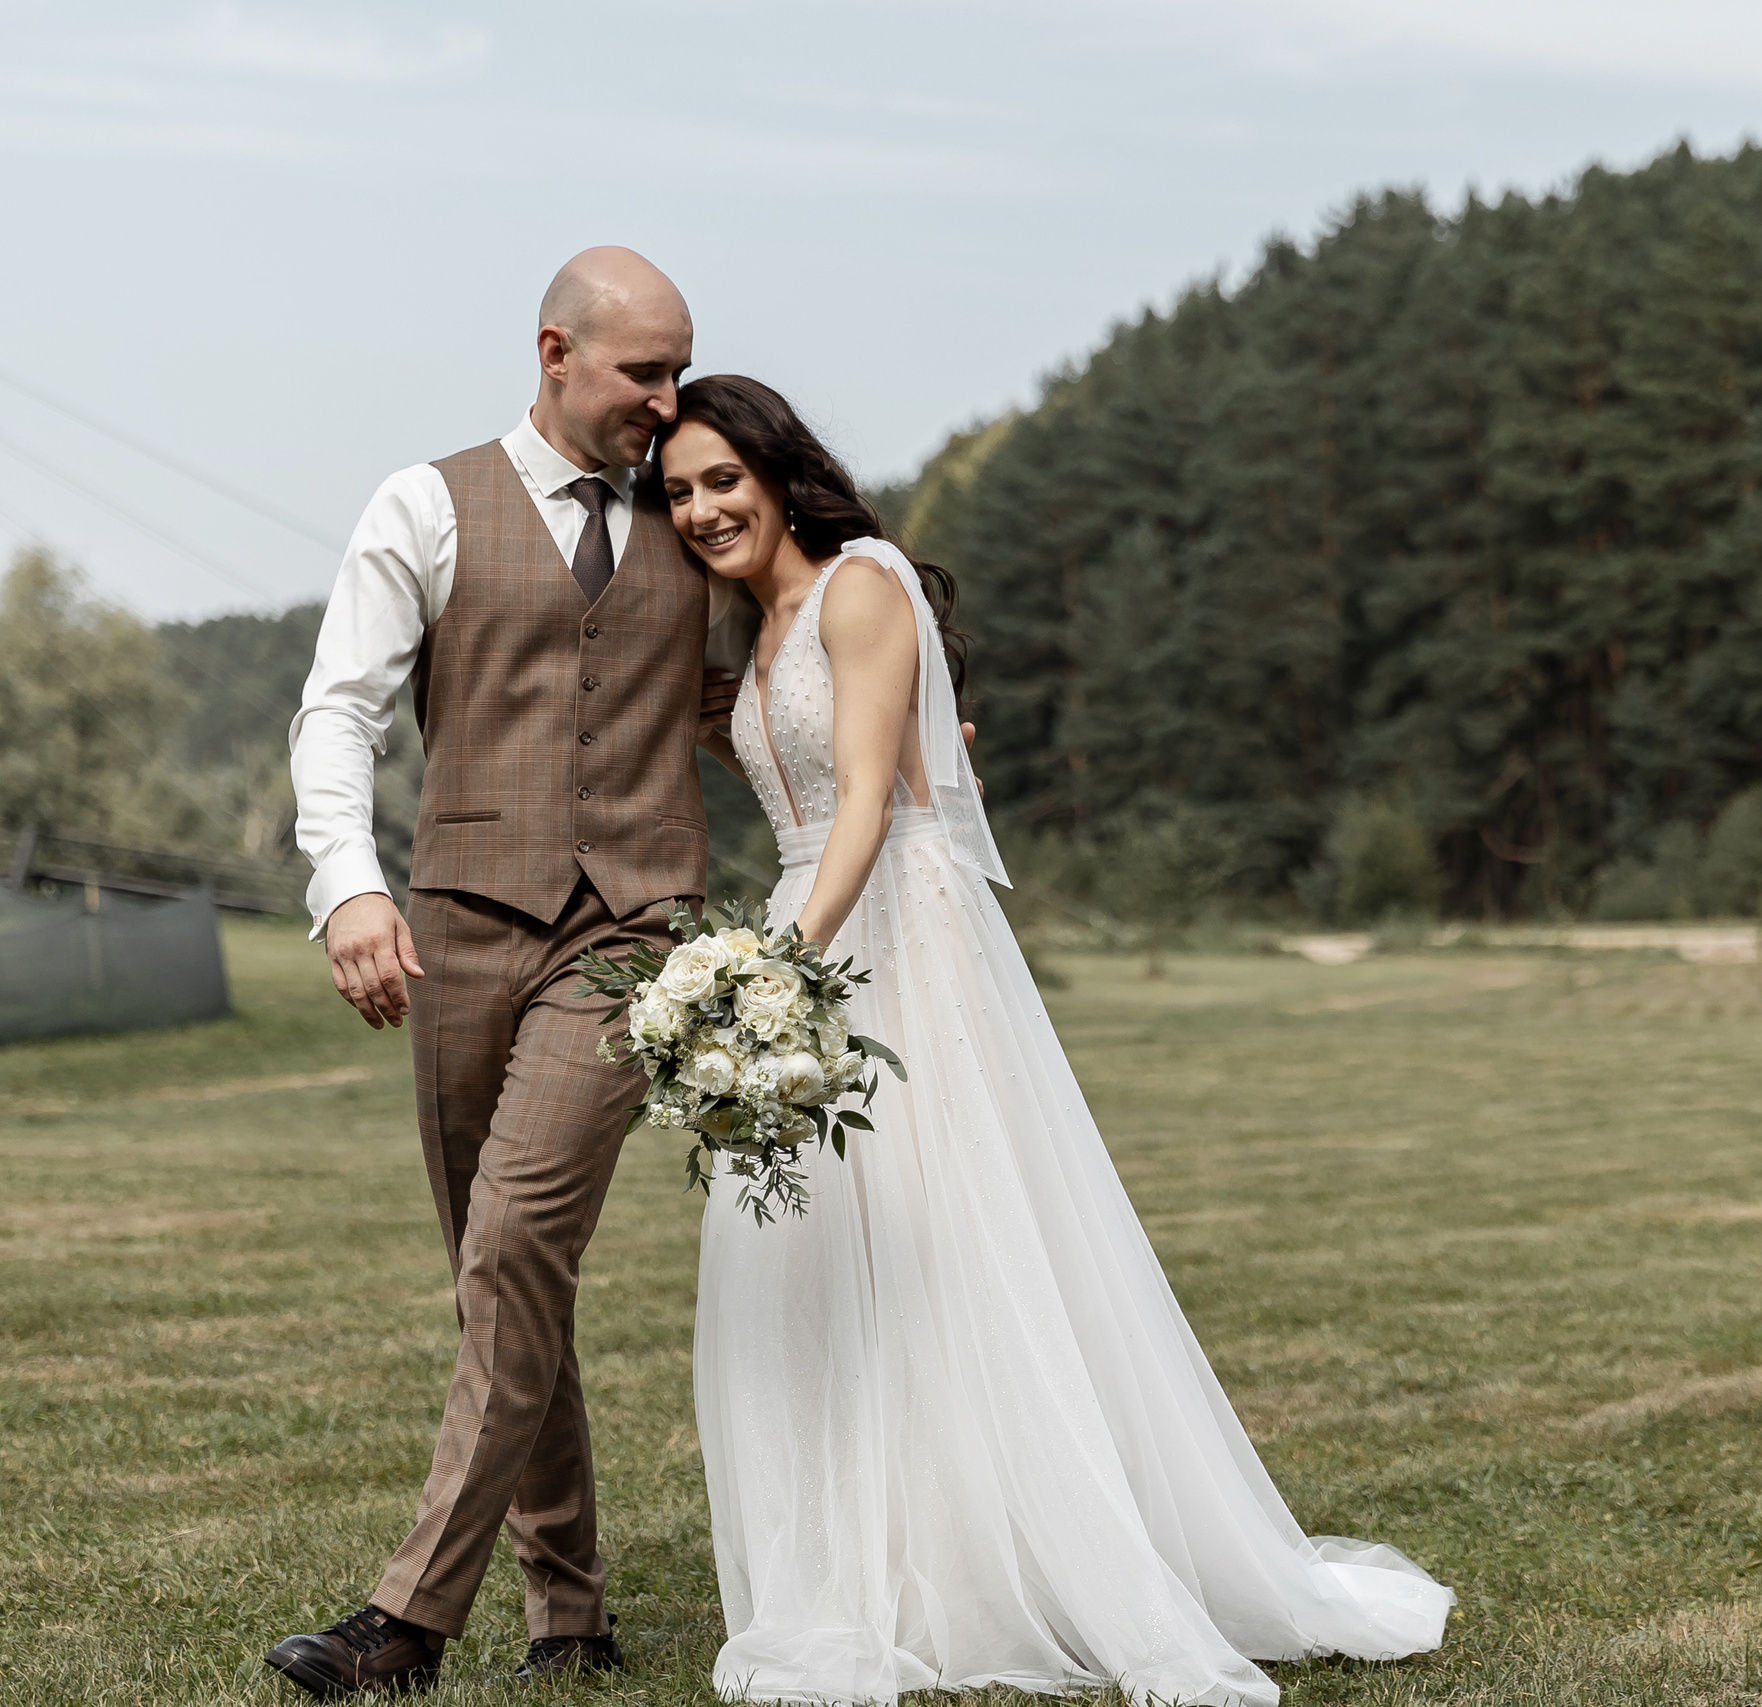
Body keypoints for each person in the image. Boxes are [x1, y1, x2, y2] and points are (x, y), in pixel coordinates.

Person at [663, 374, 1452, 1707]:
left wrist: (780, 970)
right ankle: (886, 1567)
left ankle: (1024, 1558)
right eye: (679, 492)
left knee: (951, 1236)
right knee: (822, 1254)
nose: (701, 510)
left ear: (779, 473)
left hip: (885, 927)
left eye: (721, 480)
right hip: (812, 917)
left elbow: (865, 803)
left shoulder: (859, 586)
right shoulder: (754, 631)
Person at [270, 247, 750, 1697]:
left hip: (633, 934)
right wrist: (350, 886)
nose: (666, 400)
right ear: (555, 353)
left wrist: (903, 730)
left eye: (678, 371)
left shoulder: (693, 514)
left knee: (515, 1240)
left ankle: (406, 1622)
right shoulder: (426, 504)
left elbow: (752, 693)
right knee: (500, 1276)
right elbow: (338, 713)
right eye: (643, 373)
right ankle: (571, 1615)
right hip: (464, 930)